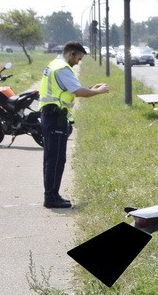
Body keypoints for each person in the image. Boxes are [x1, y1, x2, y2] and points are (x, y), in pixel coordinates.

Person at [38, 41, 110, 209]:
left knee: (51, 159)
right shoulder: (62, 68)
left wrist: (91, 87)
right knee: (55, 160)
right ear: (71, 53)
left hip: (51, 116)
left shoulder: (54, 64)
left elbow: (70, 89)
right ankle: (51, 197)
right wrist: (97, 92)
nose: (79, 62)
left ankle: (52, 195)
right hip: (55, 118)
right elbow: (78, 92)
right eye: (79, 58)